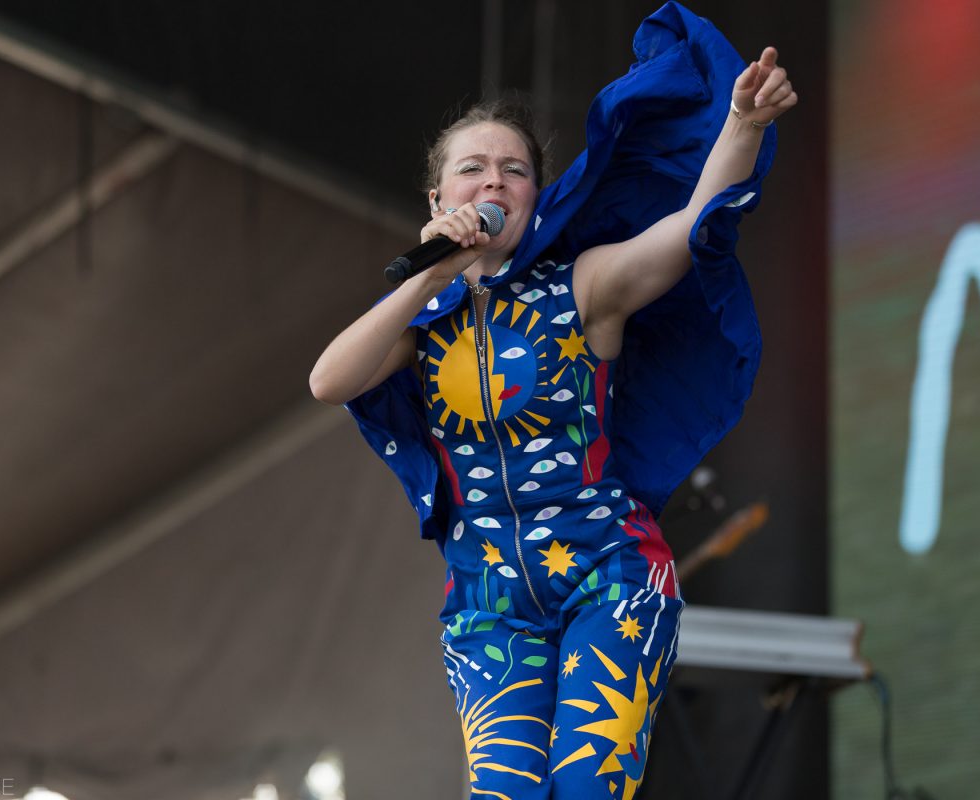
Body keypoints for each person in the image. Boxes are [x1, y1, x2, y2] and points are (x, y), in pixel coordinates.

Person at [310, 4, 795, 798]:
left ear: (536, 196)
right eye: (473, 169)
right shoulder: (422, 321)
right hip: (489, 596)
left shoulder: (584, 285)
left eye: (514, 170)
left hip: (610, 571)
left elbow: (686, 229)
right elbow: (329, 380)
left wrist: (739, 125)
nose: (494, 181)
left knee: (585, 790)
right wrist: (434, 274)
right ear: (439, 198)